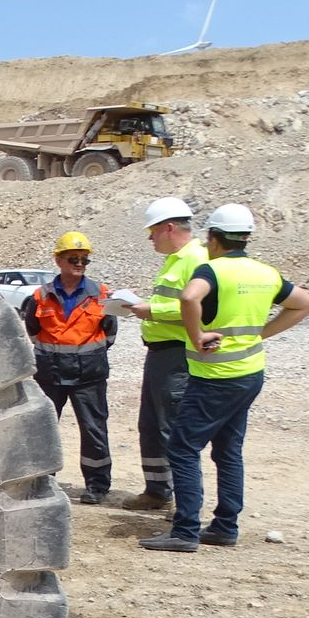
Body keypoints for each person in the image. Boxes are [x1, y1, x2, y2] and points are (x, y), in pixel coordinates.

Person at [140, 204, 309, 552]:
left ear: (213, 238)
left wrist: (196, 336)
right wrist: (262, 333)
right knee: (229, 450)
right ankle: (225, 526)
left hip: (214, 375)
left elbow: (190, 298)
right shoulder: (265, 272)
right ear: (245, 238)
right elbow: (305, 303)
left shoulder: (213, 270)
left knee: (183, 447)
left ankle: (186, 530)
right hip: (250, 373)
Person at [120, 197, 208, 510]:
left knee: (172, 427)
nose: (150, 238)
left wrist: (152, 310)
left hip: (178, 355)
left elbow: (196, 306)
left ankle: (184, 503)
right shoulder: (175, 260)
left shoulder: (197, 260)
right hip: (160, 355)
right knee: (152, 424)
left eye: (153, 231)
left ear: (169, 228)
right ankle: (157, 491)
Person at [21, 231, 117, 504]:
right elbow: (33, 330)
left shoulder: (100, 294)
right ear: (58, 260)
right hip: (51, 373)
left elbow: (109, 333)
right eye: (73, 258)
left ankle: (97, 485)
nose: (79, 264)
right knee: (45, 427)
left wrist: (85, 355)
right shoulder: (41, 296)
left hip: (89, 375)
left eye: (84, 260)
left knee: (94, 429)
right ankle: (42, 480)